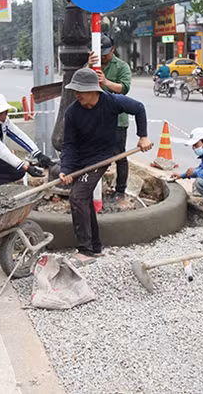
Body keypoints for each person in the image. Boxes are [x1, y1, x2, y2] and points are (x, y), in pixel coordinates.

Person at [59, 68, 153, 266]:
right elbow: (69, 144)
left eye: (81, 91)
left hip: (100, 158)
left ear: (94, 90)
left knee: (77, 196)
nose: (77, 95)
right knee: (82, 198)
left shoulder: (112, 101)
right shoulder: (73, 112)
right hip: (79, 161)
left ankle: (85, 250)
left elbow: (139, 108)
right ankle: (95, 247)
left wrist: (143, 136)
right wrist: (66, 169)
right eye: (75, 91)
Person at [88, 34, 132, 201]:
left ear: (112, 50)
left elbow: (124, 88)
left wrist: (105, 81)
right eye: (101, 54)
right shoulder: (93, 65)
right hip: (96, 120)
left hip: (117, 121)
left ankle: (120, 190)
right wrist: (89, 66)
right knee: (95, 155)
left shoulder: (121, 66)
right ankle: (94, 188)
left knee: (119, 155)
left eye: (106, 54)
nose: (103, 57)